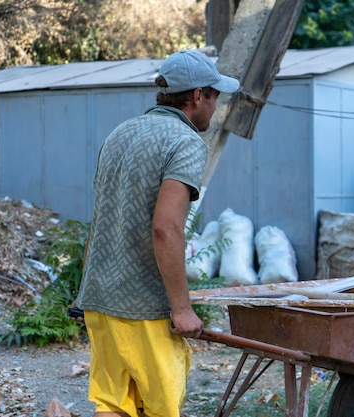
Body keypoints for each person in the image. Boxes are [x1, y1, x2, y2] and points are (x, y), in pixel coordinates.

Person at [73, 50, 240, 417]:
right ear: (198, 95)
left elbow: (101, 218)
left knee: (113, 405)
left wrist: (84, 293)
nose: (215, 107)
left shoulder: (120, 133)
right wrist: (181, 309)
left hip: (100, 300)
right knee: (160, 407)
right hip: (144, 309)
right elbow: (166, 228)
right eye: (215, 96)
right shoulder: (184, 142)